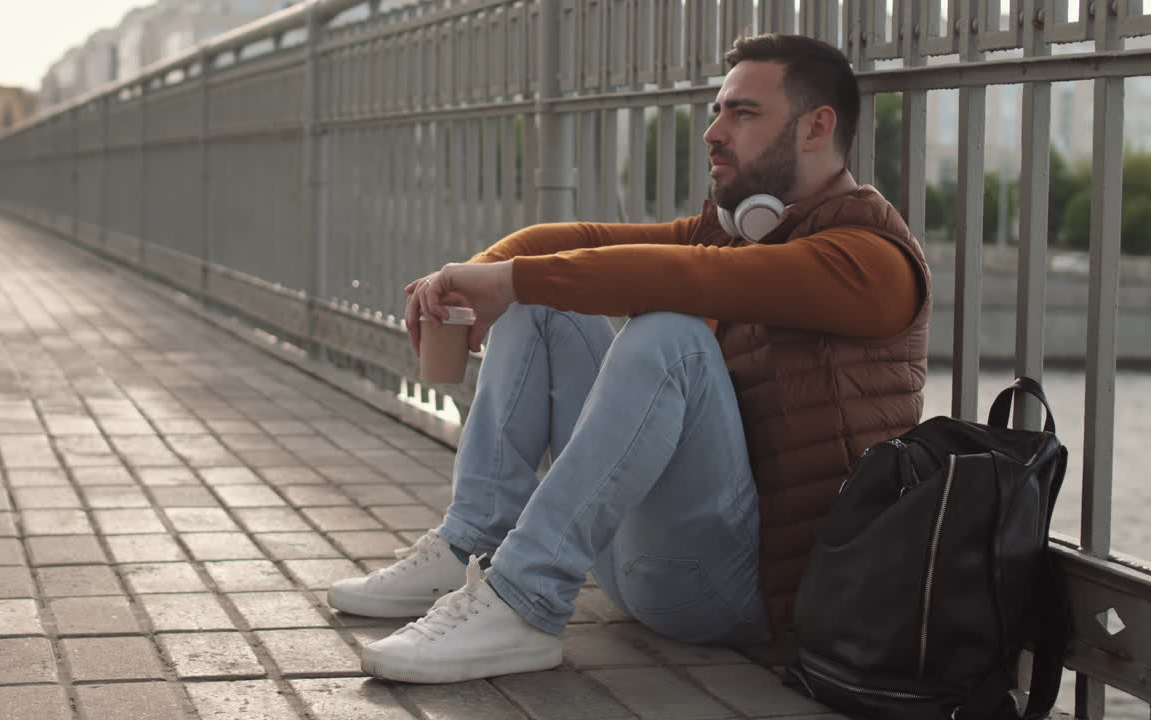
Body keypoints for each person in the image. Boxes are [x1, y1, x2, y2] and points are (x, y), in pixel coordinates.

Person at [327, 32, 931, 685]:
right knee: (545, 303)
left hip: (747, 598)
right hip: (646, 566)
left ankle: (522, 605)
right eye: (717, 110)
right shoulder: (738, 233)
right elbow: (580, 243)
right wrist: (472, 277)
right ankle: (471, 546)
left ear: (817, 128)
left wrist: (511, 280)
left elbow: (686, 279)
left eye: (743, 113)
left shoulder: (872, 263)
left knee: (668, 335)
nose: (713, 131)